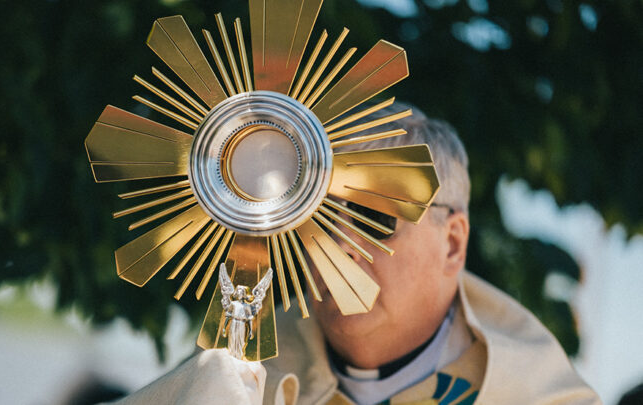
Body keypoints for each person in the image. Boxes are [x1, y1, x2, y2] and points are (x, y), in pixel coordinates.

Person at [115, 104, 601, 405]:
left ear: (452, 243)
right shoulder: (239, 376)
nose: (336, 248)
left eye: (373, 220)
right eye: (315, 217)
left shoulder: (539, 398)